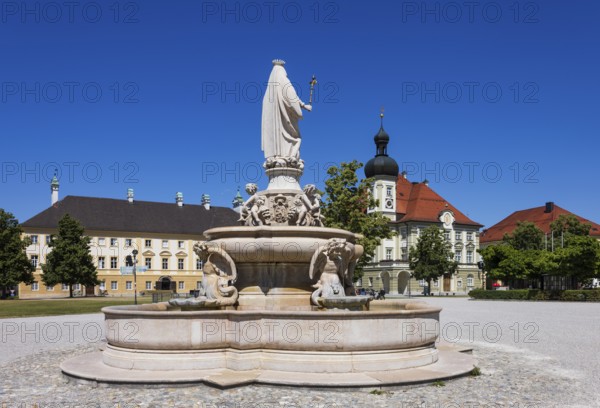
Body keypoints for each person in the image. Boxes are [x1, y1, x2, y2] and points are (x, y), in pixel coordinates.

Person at [262, 59, 312, 160]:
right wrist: (303, 106)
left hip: (278, 126)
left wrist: (302, 105)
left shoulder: (268, 94)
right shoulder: (283, 80)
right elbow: (291, 96)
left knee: (289, 139)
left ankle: (279, 156)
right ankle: (291, 157)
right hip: (286, 120)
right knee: (297, 139)